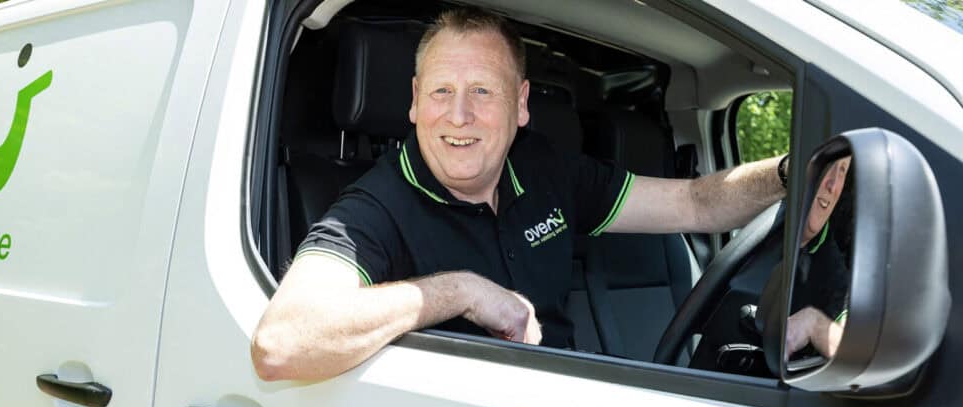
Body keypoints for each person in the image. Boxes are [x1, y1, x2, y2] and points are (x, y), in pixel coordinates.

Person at [252, 7, 788, 381]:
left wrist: (790, 174)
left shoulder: (543, 168)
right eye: (441, 91)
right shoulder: (375, 207)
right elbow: (282, 344)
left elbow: (696, 203)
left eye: (482, 91)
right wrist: (457, 291)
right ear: (415, 101)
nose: (458, 115)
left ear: (521, 104)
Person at [785, 156, 852, 361]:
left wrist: (813, 324)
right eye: (828, 164)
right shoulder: (764, 223)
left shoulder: (834, 272)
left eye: (842, 170)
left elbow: (855, 352)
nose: (832, 184)